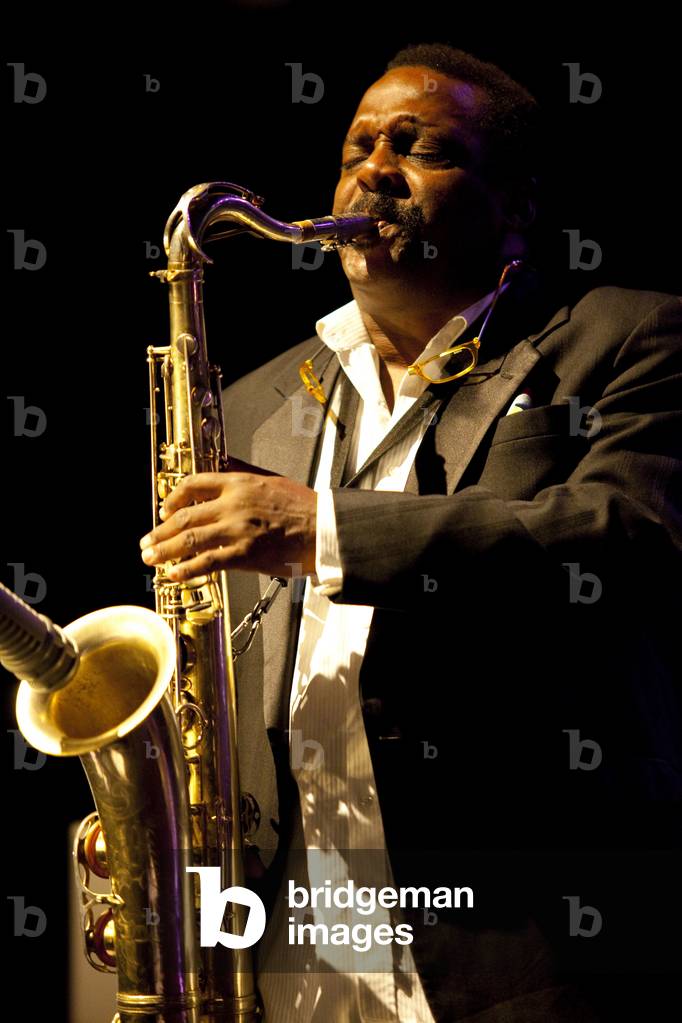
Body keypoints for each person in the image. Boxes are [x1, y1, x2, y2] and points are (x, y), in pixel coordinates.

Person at [139, 43, 682, 1023]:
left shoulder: (625, 336)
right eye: (357, 147)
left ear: (515, 203)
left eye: (418, 147)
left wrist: (324, 529)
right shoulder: (255, 398)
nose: (374, 171)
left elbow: (623, 537)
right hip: (290, 947)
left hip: (526, 948)